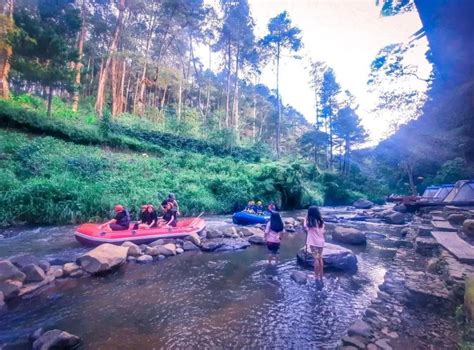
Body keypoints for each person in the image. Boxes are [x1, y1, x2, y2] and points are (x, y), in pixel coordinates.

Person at [304, 206, 325, 281]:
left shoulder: (310, 221)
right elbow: (323, 231)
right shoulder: (320, 221)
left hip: (314, 242)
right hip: (321, 241)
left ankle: (316, 276)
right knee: (320, 258)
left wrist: (305, 218)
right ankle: (321, 275)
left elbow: (305, 227)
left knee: (316, 259)